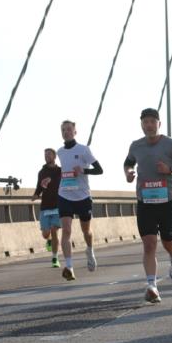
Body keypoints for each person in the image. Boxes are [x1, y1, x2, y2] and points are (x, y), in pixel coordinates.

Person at [124, 108, 172, 303]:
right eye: (145, 122)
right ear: (141, 125)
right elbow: (127, 163)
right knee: (149, 244)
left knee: (168, 243)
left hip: (167, 202)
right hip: (145, 202)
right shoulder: (136, 146)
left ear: (159, 124)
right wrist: (128, 173)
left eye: (153, 121)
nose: (149, 125)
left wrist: (169, 169)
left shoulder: (171, 144)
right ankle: (152, 285)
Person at [56, 120, 103, 281]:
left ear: (75, 132)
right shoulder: (60, 152)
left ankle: (89, 250)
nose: (66, 132)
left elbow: (99, 170)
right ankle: (69, 266)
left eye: (69, 129)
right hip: (64, 195)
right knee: (66, 230)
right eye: (63, 130)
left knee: (86, 231)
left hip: (82, 196)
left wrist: (83, 170)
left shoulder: (83, 150)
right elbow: (62, 171)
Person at [31, 148, 62, 267]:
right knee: (45, 233)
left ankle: (55, 258)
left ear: (54, 156)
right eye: (45, 155)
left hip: (58, 206)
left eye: (49, 154)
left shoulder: (60, 171)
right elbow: (39, 187)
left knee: (54, 231)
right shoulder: (42, 172)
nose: (47, 156)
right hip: (45, 206)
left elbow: (67, 183)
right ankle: (48, 240)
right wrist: (35, 195)